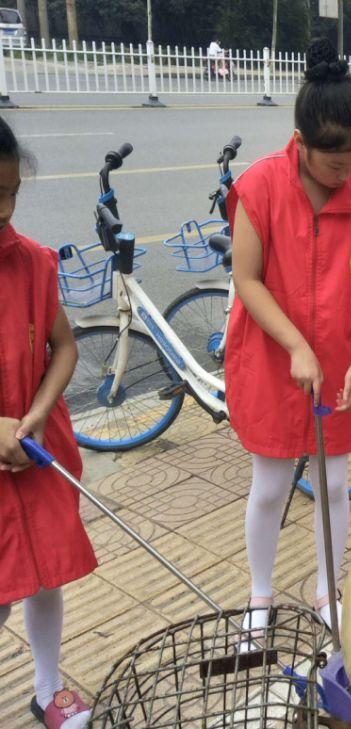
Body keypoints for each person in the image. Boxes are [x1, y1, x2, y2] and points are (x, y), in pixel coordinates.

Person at [225, 38, 351, 640]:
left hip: (341, 366)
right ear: (301, 143)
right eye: (334, 164)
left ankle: (328, 590)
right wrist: (296, 344)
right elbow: (246, 279)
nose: (348, 175)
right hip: (273, 361)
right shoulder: (261, 187)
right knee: (269, 486)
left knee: (335, 482)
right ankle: (260, 594)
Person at [0, 117, 96, 728]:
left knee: (44, 575)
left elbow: (63, 346)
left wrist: (35, 414)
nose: (4, 209)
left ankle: (46, 687)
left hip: (34, 451)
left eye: (10, 193)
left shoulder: (33, 262)